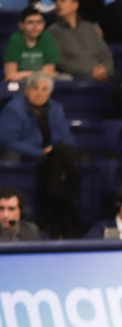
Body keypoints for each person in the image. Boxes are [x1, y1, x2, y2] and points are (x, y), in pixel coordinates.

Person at [0, 72, 80, 239]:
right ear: (27, 90)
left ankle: (52, 212)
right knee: (61, 165)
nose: (40, 93)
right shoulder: (13, 109)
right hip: (26, 154)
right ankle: (62, 216)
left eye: (44, 89)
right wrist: (40, 152)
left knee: (64, 154)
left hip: (52, 157)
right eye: (35, 88)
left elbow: (66, 136)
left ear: (49, 93)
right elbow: (7, 140)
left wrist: (56, 150)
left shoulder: (55, 108)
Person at [47, 0, 114, 82]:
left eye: (63, 0)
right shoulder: (53, 31)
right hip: (75, 80)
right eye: (56, 1)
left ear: (75, 5)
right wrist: (90, 72)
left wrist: (106, 70)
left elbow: (106, 54)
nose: (58, 4)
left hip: (102, 76)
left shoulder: (90, 28)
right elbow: (60, 62)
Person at [3, 6, 60, 82]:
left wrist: (23, 74)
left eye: (39, 22)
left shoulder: (47, 37)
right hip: (21, 81)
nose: (35, 27)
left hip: (42, 81)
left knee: (66, 79)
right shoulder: (15, 39)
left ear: (44, 24)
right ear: (21, 25)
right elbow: (10, 76)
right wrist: (36, 74)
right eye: (30, 22)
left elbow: (49, 72)